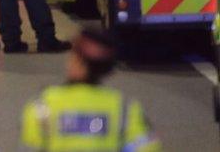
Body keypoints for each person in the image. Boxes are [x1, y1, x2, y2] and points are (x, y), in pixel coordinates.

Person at [21, 27, 161, 151]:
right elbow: (147, 147)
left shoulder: (42, 107)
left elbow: (30, 146)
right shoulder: (125, 109)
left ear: (78, 63)